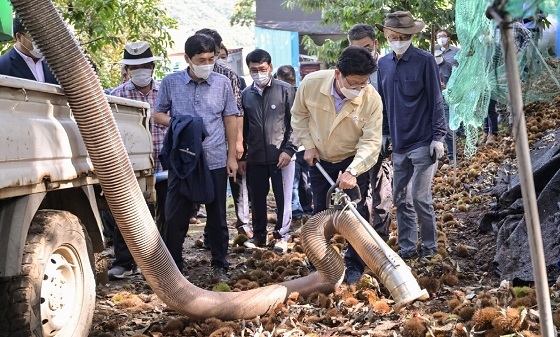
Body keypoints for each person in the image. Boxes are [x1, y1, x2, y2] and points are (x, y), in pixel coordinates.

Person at [153, 34, 238, 280]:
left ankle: (220, 265)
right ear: (188, 59)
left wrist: (232, 156)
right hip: (183, 161)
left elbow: (230, 119)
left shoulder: (222, 83)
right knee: (174, 216)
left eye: (211, 59)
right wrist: (180, 124)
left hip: (214, 158)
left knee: (218, 216)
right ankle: (173, 266)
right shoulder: (171, 82)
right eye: (201, 60)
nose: (207, 64)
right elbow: (158, 114)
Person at [291, 46, 383, 269]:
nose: (359, 89)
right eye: (353, 84)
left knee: (355, 215)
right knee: (320, 213)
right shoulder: (311, 84)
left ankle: (355, 266)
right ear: (337, 74)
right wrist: (309, 146)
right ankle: (320, 265)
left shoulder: (372, 99)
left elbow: (371, 142)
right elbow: (299, 115)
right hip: (320, 160)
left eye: (364, 84)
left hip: (352, 161)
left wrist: (353, 170)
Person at [375, 11, 446, 260]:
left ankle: (429, 247)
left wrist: (439, 136)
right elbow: (382, 102)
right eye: (394, 35)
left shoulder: (425, 60)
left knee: (419, 197)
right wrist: (384, 133)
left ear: (411, 35)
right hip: (399, 143)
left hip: (424, 141)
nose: (398, 39)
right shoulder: (383, 65)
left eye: (404, 36)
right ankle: (407, 247)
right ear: (387, 35)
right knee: (400, 198)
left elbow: (436, 100)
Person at [105, 41, 165, 279]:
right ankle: (124, 261)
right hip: (131, 167)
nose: (140, 70)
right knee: (127, 214)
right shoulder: (116, 96)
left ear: (152, 66)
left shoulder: (164, 93)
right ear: (127, 70)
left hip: (163, 164)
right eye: (134, 66)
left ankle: (158, 264)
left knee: (161, 216)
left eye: (144, 65)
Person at [346, 23, 394, 284]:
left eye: (366, 47)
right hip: (356, 142)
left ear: (375, 44)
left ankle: (381, 237)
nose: (363, 53)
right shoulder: (347, 69)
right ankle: (360, 241)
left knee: (382, 188)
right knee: (359, 194)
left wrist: (389, 134)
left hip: (385, 136)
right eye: (357, 49)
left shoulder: (387, 66)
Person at [239, 49, 297, 253]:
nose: (258, 73)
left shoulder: (286, 90)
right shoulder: (246, 95)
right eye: (253, 70)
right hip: (255, 157)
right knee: (257, 197)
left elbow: (296, 123)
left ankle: (282, 235)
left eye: (262, 69)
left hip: (282, 156)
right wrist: (243, 156)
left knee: (283, 198)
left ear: (270, 67)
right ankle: (259, 235)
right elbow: (243, 129)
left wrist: (289, 150)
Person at [196, 29, 251, 238]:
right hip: (202, 145)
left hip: (227, 140)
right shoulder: (182, 78)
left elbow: (236, 111)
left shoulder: (228, 75)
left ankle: (242, 226)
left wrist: (238, 142)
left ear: (218, 50)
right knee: (211, 192)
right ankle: (212, 232)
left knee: (236, 184)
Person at [276, 65, 314, 224]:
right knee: (304, 180)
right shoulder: (300, 93)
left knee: (293, 181)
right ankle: (306, 209)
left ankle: (297, 213)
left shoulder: (282, 94)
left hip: (292, 146)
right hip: (304, 145)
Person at [0, 16, 57, 84]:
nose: (42, 40)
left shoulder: (55, 65)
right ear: (19, 36)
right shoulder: (3, 66)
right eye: (35, 35)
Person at [434, 47, 456, 161]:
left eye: (438, 55)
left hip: (447, 101)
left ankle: (452, 156)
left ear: (442, 54)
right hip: (433, 103)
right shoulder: (430, 66)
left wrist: (447, 88)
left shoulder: (449, 67)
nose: (436, 58)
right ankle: (440, 157)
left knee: (448, 129)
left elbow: (456, 85)